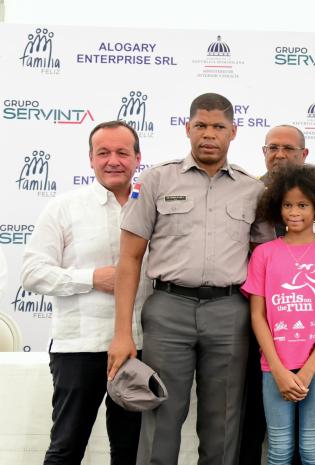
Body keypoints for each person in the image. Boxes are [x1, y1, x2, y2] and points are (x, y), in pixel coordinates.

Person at [107, 93, 274, 465]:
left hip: (230, 312)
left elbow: (267, 261)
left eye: (218, 127)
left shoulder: (253, 189)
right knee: (160, 416)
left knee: (224, 423)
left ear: (233, 131)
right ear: (187, 129)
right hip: (168, 310)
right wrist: (122, 334)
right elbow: (130, 259)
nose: (209, 134)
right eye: (201, 125)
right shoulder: (156, 179)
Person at [21, 120, 151, 464]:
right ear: (90, 159)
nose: (113, 160)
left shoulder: (152, 209)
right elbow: (32, 273)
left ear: (138, 158)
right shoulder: (64, 208)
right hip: (79, 347)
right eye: (103, 153)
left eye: (122, 152)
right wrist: (92, 278)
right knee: (66, 447)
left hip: (137, 347)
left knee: (130, 451)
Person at [241, 125, 315, 465]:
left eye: (303, 205)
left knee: (311, 448)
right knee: (279, 448)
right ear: (277, 208)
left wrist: (308, 370)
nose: (295, 212)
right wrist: (277, 367)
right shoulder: (263, 254)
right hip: (272, 366)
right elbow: (257, 315)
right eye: (288, 205)